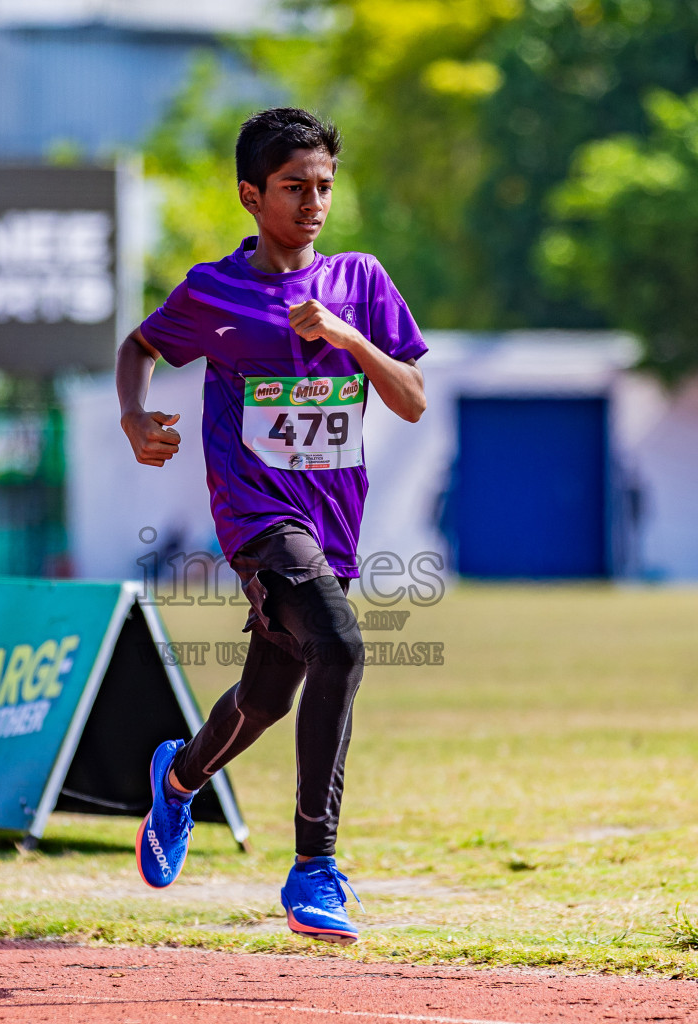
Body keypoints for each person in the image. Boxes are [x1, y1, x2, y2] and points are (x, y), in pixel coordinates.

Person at [115, 107, 428, 944]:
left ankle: (177, 781)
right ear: (252, 195)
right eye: (295, 187)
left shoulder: (361, 281)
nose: (314, 202)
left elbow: (412, 398)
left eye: (325, 186)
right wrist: (133, 414)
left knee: (263, 702)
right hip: (257, 516)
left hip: (334, 523)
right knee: (344, 646)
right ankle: (314, 869)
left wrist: (350, 338)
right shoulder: (213, 290)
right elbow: (139, 345)